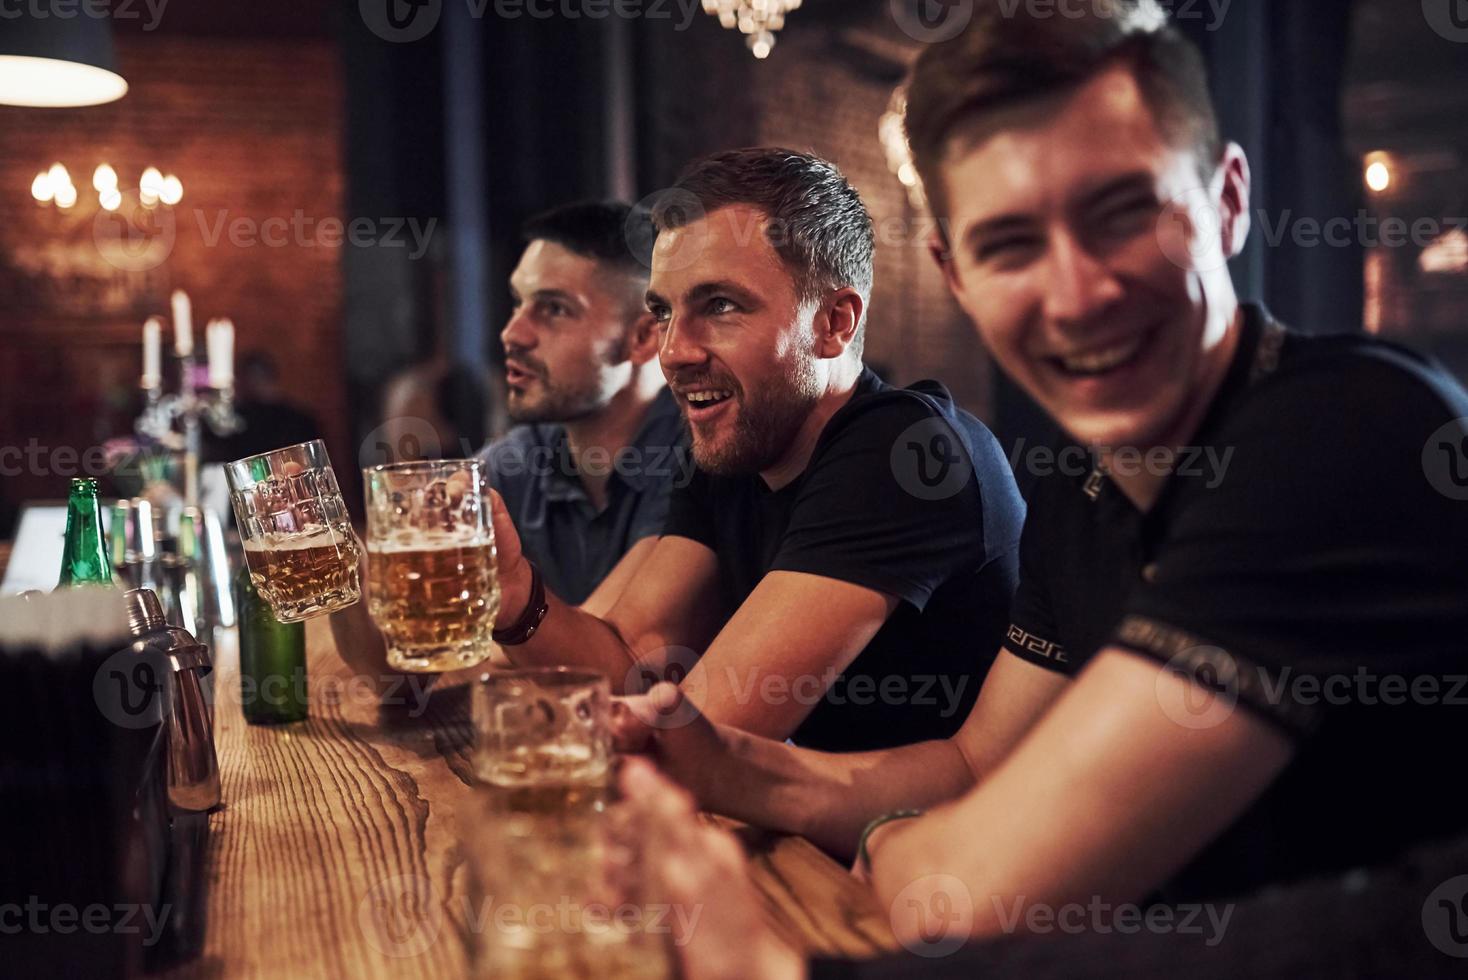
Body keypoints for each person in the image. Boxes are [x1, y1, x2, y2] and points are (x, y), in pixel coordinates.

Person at [613, 1, 1468, 974]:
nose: (1075, 293)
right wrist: (734, 764)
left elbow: (978, 886)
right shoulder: (1083, 485)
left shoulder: (1345, 431)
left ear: (1229, 202)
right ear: (955, 272)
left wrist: (888, 848)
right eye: (1010, 243)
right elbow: (976, 763)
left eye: (1123, 212)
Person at [489, 148, 1027, 752]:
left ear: (833, 323)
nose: (673, 351)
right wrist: (512, 595)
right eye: (664, 312)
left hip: (939, 840)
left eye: (719, 305)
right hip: (813, 837)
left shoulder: (904, 452)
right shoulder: (739, 445)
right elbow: (632, 661)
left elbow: (707, 738)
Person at [330, 200, 684, 679]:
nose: (512, 333)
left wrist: (482, 642)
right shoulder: (523, 457)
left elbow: (608, 666)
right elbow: (398, 664)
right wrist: (338, 556)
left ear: (643, 338)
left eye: (554, 309)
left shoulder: (694, 455)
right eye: (519, 302)